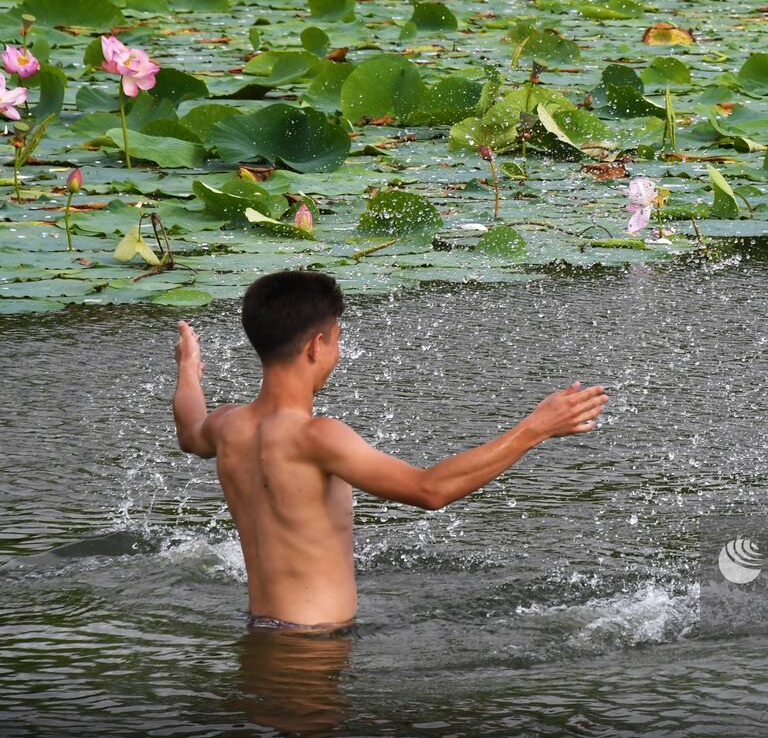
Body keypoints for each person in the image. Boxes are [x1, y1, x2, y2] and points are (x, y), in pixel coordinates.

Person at [172, 270, 608, 630]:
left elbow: (189, 429)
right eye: (337, 340)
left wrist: (188, 370)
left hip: (261, 629)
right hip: (314, 647)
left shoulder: (228, 426)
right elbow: (430, 490)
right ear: (316, 345)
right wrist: (536, 428)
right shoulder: (317, 437)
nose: (337, 353)